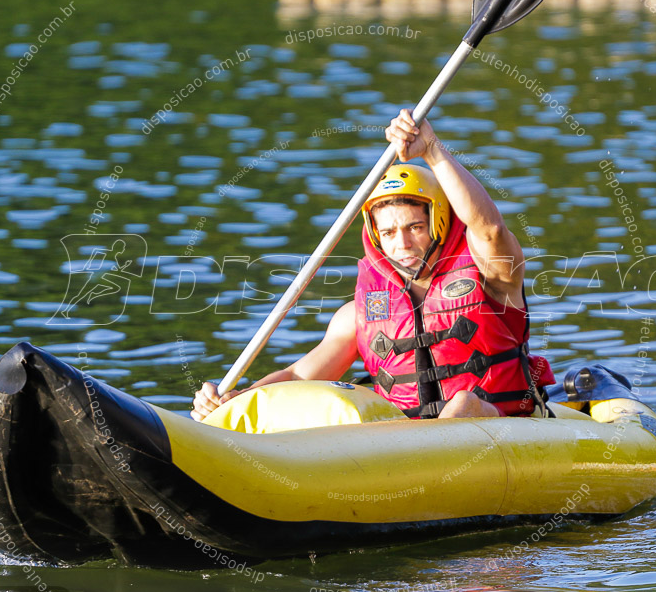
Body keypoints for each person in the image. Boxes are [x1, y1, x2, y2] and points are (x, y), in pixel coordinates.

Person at [192, 109, 553, 421]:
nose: (403, 243)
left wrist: (431, 151)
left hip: (503, 425)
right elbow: (298, 379)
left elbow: (489, 228)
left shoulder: (493, 279)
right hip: (404, 443)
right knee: (339, 403)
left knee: (463, 404)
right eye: (390, 231)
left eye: (415, 227)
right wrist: (231, 403)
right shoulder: (358, 314)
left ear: (440, 222)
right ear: (376, 236)